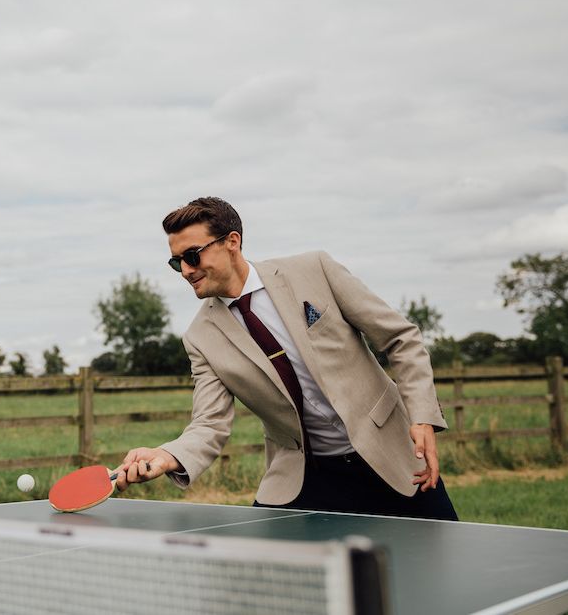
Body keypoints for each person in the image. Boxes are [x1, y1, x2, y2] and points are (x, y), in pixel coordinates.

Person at [114, 197, 458, 520]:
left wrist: (422, 417)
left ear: (231, 242)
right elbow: (209, 423)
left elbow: (400, 337)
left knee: (441, 571)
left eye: (192, 256)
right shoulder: (200, 337)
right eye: (177, 263)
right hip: (307, 476)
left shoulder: (315, 269)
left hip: (394, 457)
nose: (186, 271)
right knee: (269, 580)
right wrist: (166, 456)